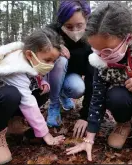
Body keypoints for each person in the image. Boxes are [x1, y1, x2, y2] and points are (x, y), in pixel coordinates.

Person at [66, 2, 132, 161]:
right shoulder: (100, 63)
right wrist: (89, 139)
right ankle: (123, 124)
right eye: (96, 50)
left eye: (107, 50)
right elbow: (97, 99)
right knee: (115, 95)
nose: (101, 56)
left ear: (127, 38)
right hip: (125, 104)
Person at [0, 28, 66, 164]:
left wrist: (42, 82)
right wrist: (45, 134)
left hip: (4, 105)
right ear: (29, 54)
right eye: (48, 60)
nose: (51, 65)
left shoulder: (29, 58)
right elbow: (28, 102)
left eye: (54, 61)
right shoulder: (14, 67)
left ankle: (12, 123)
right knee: (11, 95)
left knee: (41, 91)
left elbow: (31, 76)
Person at [46, 0, 94, 138]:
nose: (74, 31)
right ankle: (54, 104)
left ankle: (63, 94)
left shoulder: (93, 38)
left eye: (79, 25)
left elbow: (92, 77)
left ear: (87, 19)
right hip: (53, 73)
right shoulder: (53, 31)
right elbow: (39, 39)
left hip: (72, 75)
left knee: (78, 88)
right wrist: (54, 45)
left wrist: (86, 115)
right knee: (60, 60)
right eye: (68, 26)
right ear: (61, 23)